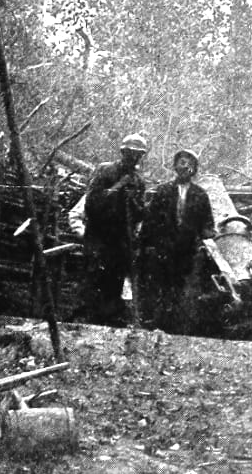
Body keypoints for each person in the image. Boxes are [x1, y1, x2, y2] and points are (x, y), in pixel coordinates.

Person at [137, 148, 215, 332]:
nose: (185, 166)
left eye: (189, 163)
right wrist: (144, 244)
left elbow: (207, 224)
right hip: (163, 249)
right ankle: (155, 324)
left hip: (186, 250)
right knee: (160, 285)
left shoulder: (200, 194)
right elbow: (150, 220)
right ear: (175, 166)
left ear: (194, 169)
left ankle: (176, 328)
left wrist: (205, 240)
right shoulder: (163, 191)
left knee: (181, 288)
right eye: (181, 162)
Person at [81, 133, 147, 326]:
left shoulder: (138, 181)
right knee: (94, 284)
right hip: (99, 239)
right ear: (122, 152)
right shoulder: (105, 170)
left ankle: (109, 324)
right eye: (130, 152)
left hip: (121, 242)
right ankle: (89, 323)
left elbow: (139, 215)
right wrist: (118, 187)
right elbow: (91, 204)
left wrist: (134, 201)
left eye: (138, 154)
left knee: (114, 286)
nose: (133, 157)